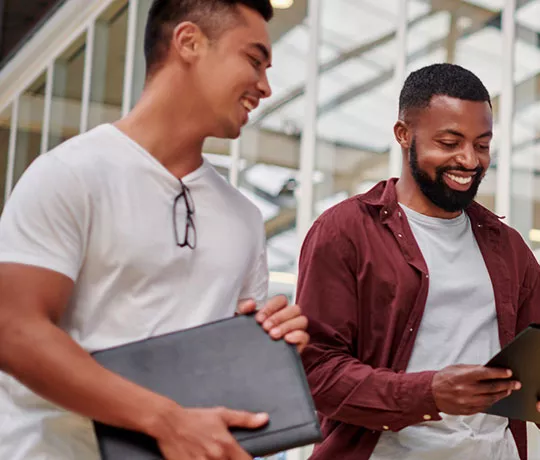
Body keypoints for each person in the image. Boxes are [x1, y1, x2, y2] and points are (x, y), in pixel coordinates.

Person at [0, 1, 310, 459]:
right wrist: (167, 421)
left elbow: (223, 372)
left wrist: (273, 346)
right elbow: (12, 329)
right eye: (253, 60)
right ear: (189, 42)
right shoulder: (70, 173)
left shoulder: (243, 217)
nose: (265, 87)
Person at [296, 63, 540, 460]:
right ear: (404, 135)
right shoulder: (344, 231)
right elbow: (317, 372)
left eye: (482, 144)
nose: (470, 160)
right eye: (450, 142)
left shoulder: (508, 249)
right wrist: (429, 394)